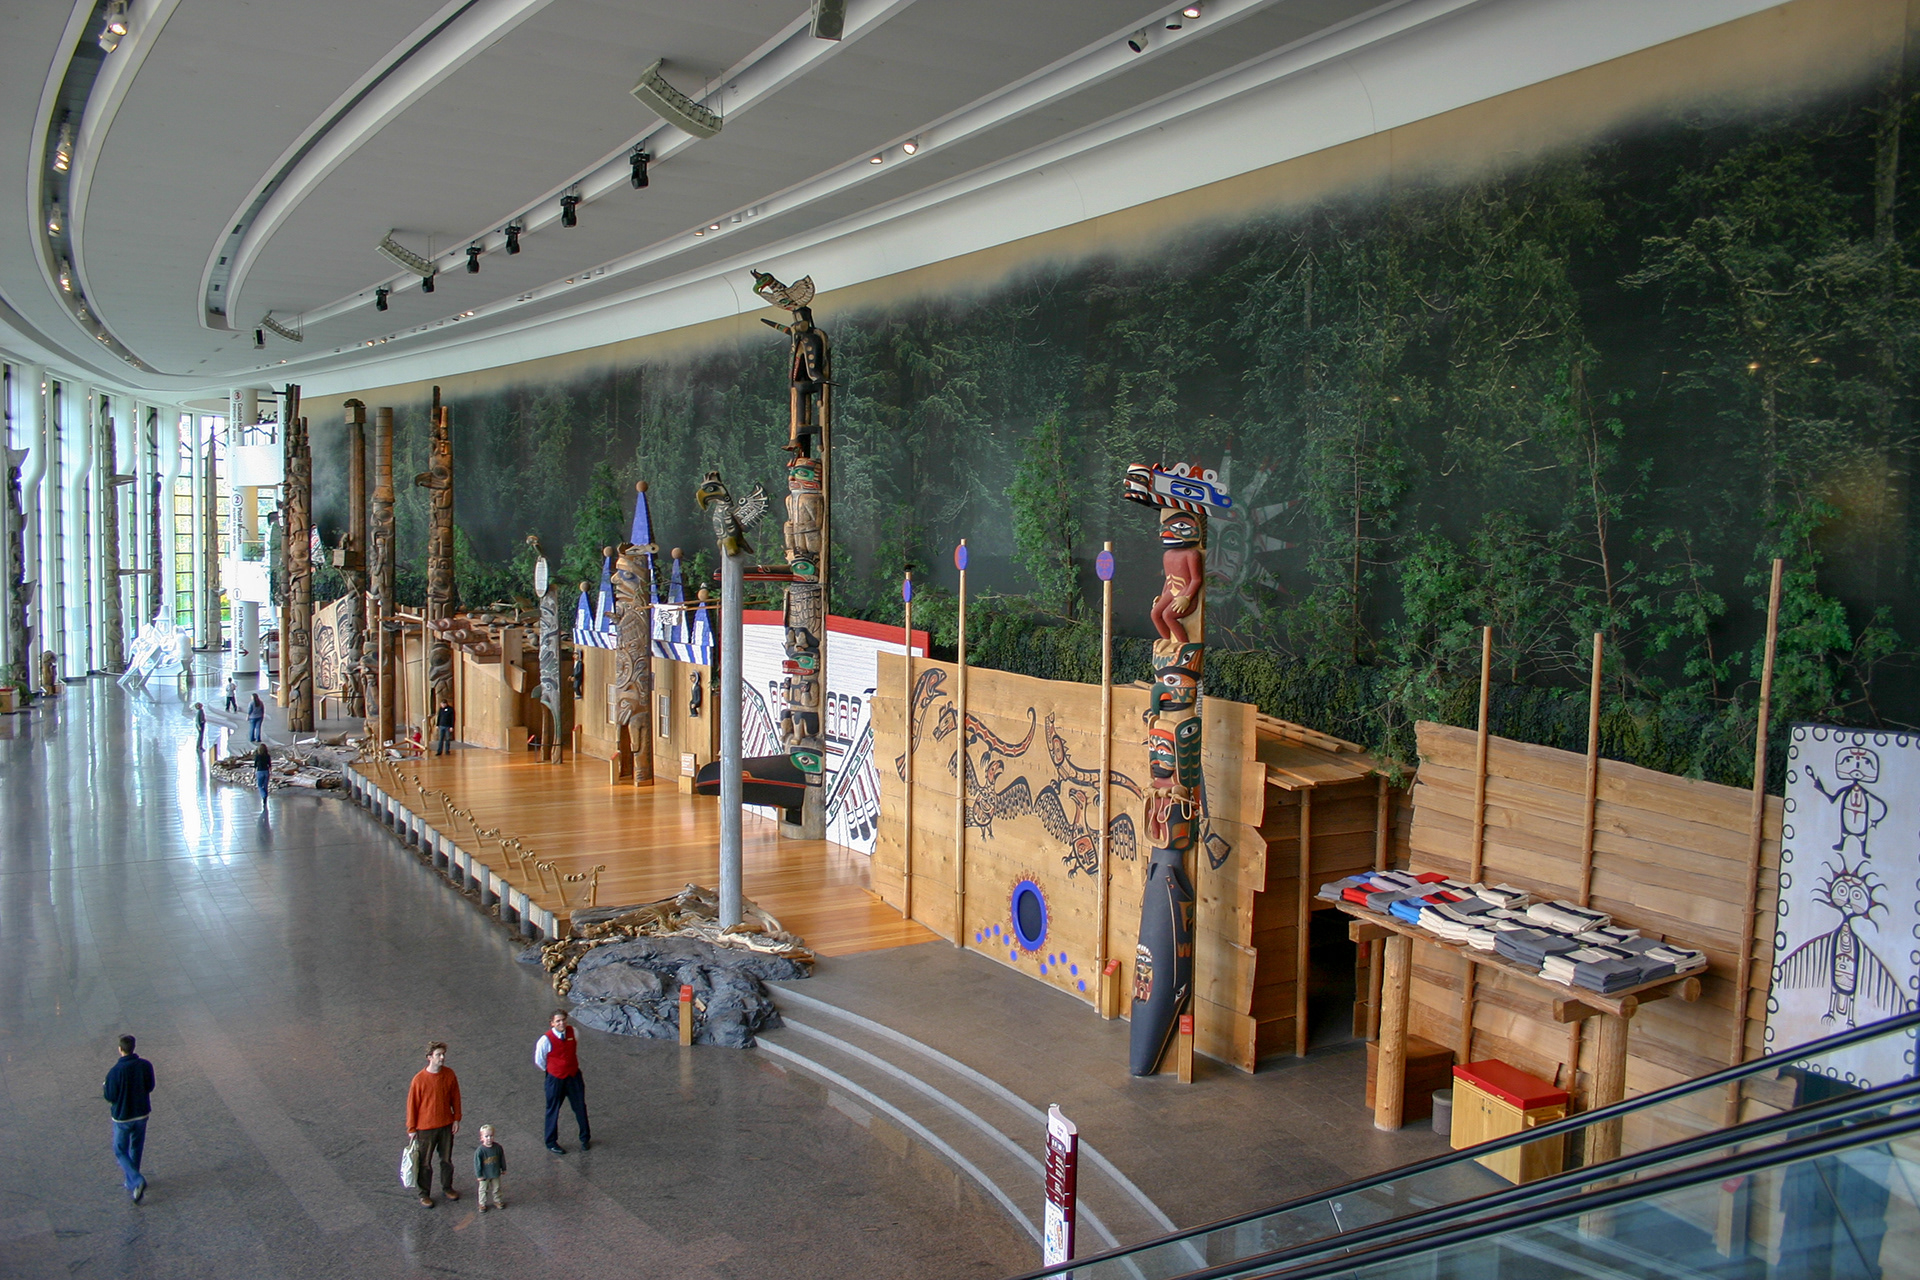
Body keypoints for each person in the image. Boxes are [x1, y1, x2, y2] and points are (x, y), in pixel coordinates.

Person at [405, 1041, 462, 1207]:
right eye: (438, 1055)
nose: (442, 1057)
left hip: (446, 1125)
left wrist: (456, 1118)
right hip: (425, 1128)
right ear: (429, 1057)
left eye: (443, 1054)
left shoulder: (449, 1074)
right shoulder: (419, 1080)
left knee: (446, 1160)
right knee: (425, 1163)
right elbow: (412, 1105)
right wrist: (411, 1128)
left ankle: (447, 1187)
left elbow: (455, 1097)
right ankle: (424, 1193)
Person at [103, 1033, 155, 1204]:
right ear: (134, 1047)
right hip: (141, 1113)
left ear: (120, 1049)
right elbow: (150, 1086)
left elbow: (110, 1096)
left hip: (123, 1117)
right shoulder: (145, 1065)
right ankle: (132, 1182)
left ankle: (137, 1180)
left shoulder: (114, 1072)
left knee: (120, 1150)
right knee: (136, 1147)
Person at [534, 1009, 591, 1154]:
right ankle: (551, 1142)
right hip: (556, 1079)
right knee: (553, 1109)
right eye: (558, 1021)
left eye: (563, 1020)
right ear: (552, 1023)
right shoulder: (545, 1040)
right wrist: (553, 1071)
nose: (561, 1023)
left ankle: (585, 1138)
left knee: (580, 1107)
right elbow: (540, 1060)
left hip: (573, 1076)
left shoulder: (573, 1032)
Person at [473, 1125, 506, 1211]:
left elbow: (501, 1158)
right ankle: (482, 1203)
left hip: (495, 1173)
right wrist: (479, 1175)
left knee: (497, 1188)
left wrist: (503, 1168)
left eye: (491, 1136)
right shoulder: (480, 1151)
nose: (489, 1138)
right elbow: (477, 1164)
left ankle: (497, 1201)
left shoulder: (498, 1148)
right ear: (481, 1138)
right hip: (484, 1175)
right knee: (483, 1190)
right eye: (486, 1136)